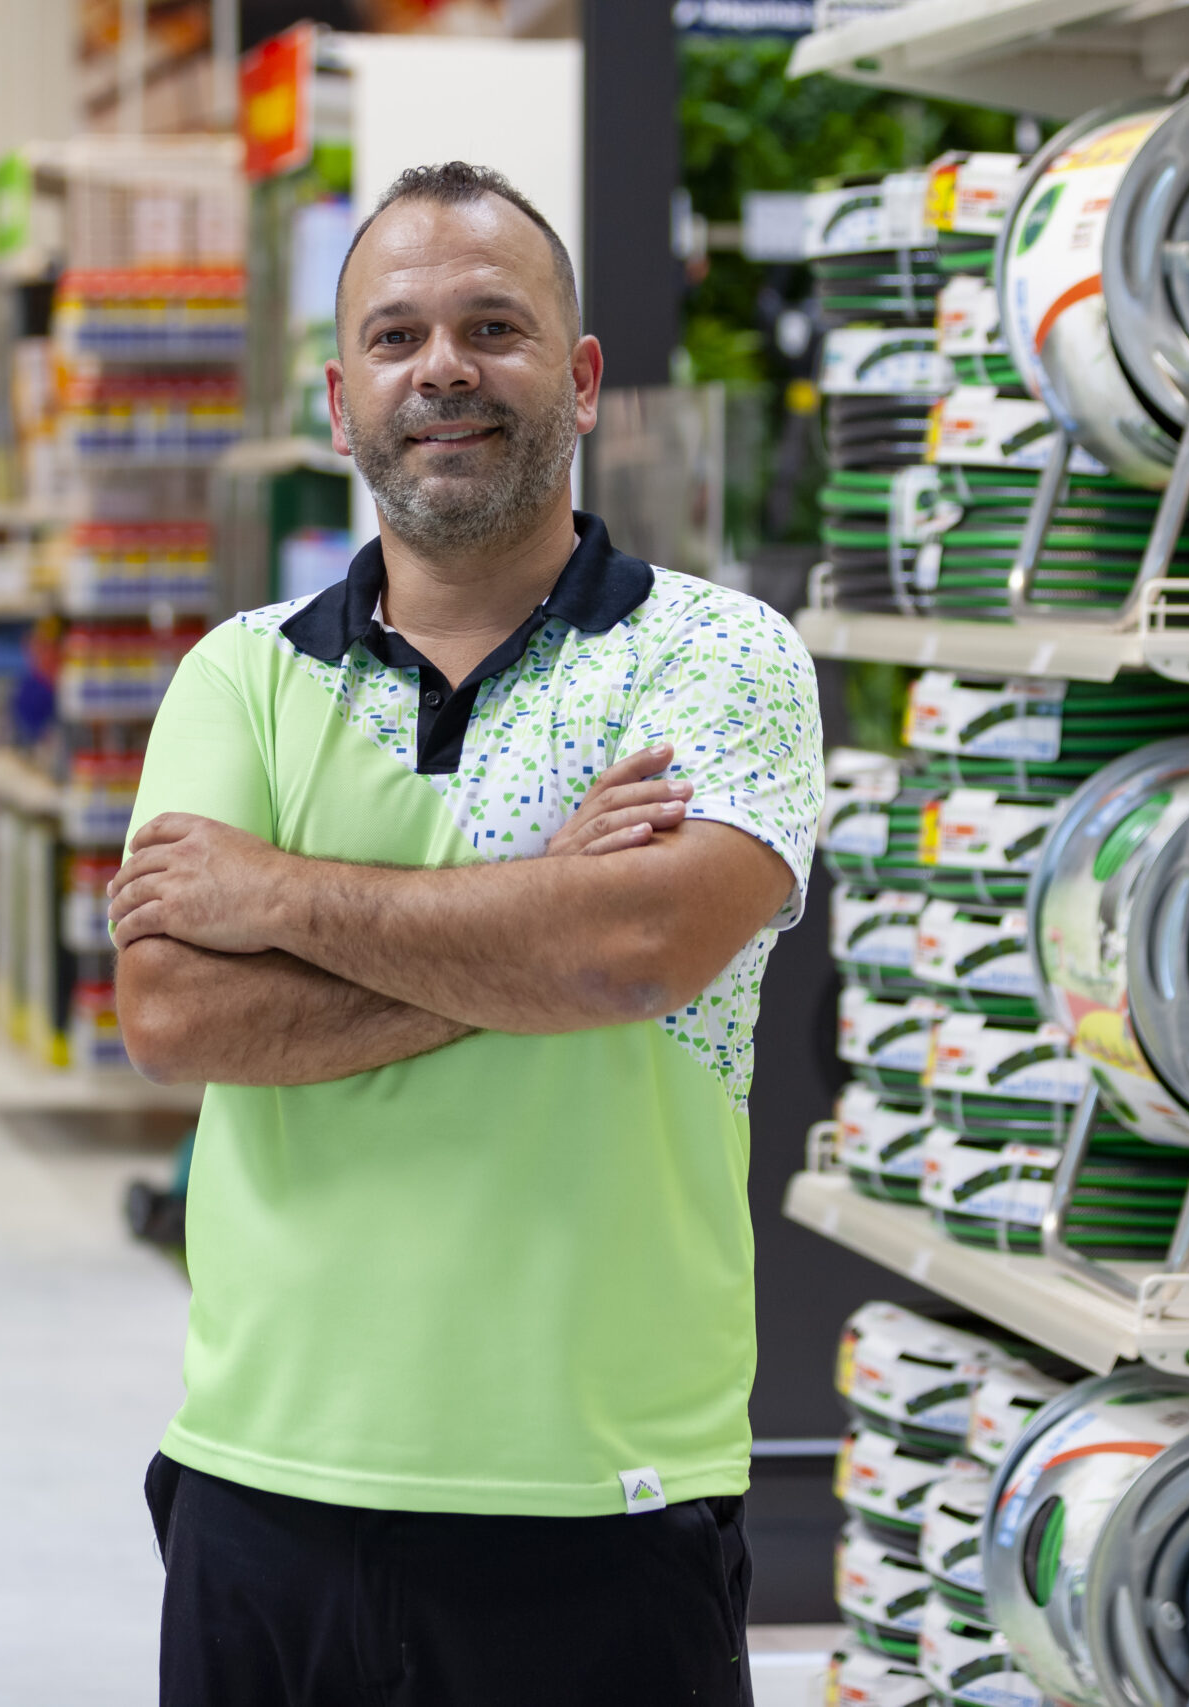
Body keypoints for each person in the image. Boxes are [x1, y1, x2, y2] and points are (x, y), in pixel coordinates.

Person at [106, 161, 823, 1705]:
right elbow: (171, 1016)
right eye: (396, 334)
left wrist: (285, 901)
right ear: (341, 393)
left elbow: (637, 954)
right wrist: (537, 929)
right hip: (262, 1485)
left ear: (577, 380)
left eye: (494, 328)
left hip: (599, 1501)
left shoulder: (718, 658)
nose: (443, 368)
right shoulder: (241, 677)